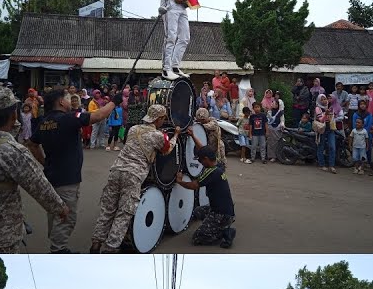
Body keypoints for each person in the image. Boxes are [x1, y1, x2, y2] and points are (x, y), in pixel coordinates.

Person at [0, 86, 71, 254]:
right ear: (14, 115)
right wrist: (60, 208)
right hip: (3, 237)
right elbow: (38, 185)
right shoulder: (13, 151)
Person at [28, 88, 114, 253]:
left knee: (55, 211)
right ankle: (58, 250)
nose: (70, 101)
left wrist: (44, 162)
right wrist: (114, 102)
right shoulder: (67, 118)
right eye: (68, 98)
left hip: (52, 175)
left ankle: (56, 244)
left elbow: (32, 143)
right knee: (66, 216)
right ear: (61, 102)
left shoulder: (45, 121)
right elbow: (98, 116)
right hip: (66, 179)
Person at [90, 104, 178, 253]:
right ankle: (110, 248)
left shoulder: (133, 129)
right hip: (134, 175)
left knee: (108, 209)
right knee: (124, 213)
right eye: (163, 118)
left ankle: (96, 244)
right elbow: (167, 149)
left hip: (116, 170)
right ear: (159, 119)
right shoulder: (158, 136)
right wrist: (175, 135)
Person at [175, 146, 236, 248]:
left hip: (221, 214)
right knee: (198, 211)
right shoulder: (219, 166)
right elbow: (205, 149)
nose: (200, 162)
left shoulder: (210, 172)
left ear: (206, 159)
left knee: (197, 238)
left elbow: (194, 185)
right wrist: (194, 135)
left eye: (200, 160)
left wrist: (180, 181)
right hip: (226, 210)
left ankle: (225, 232)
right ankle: (216, 226)